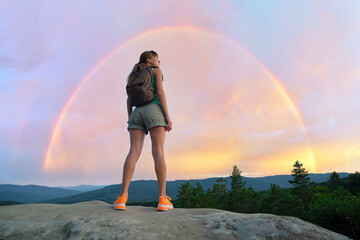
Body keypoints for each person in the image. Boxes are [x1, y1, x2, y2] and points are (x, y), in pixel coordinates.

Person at [113, 50, 173, 211]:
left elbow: (129, 99)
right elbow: (160, 92)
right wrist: (167, 116)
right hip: (153, 109)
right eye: (157, 59)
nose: (160, 62)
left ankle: (122, 198)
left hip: (136, 113)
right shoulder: (156, 71)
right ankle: (162, 198)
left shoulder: (133, 76)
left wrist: (130, 118)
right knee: (158, 152)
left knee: (133, 152)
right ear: (149, 60)